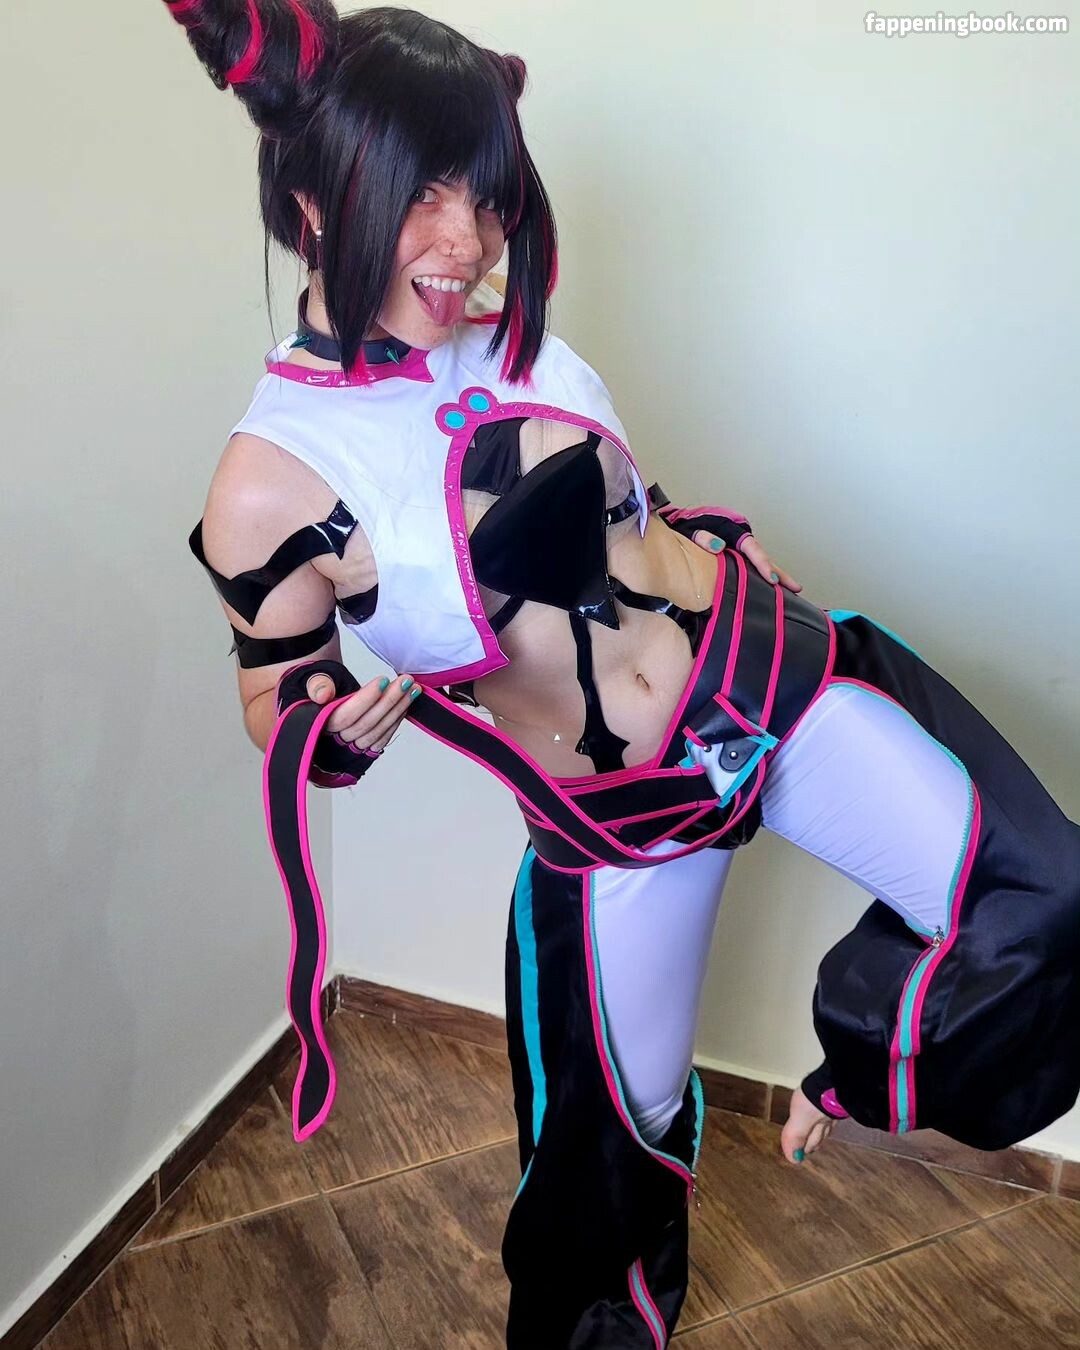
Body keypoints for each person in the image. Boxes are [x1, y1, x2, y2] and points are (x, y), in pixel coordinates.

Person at [166, 4, 1080, 1346]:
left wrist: (703, 535)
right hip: (622, 821)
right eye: (423, 194)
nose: (470, 240)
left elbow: (620, 519)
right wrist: (327, 730)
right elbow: (274, 694)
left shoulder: (513, 340)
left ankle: (863, 1071)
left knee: (1046, 895)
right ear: (310, 200)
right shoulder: (270, 480)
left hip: (770, 679)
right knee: (607, 1160)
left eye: (487, 193)